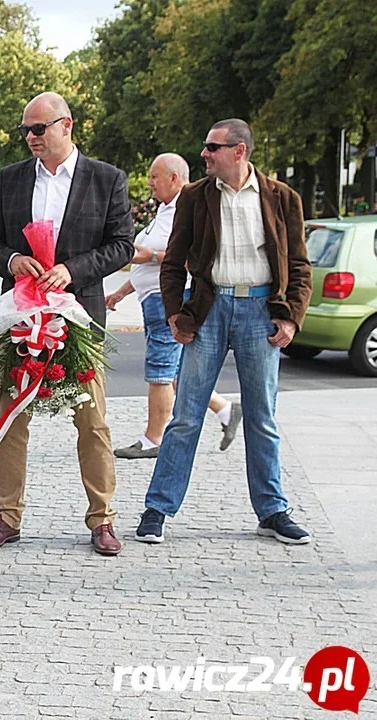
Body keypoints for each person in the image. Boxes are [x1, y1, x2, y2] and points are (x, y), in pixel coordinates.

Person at [135, 118, 313, 545]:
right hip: (210, 310)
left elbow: (301, 266)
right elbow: (174, 262)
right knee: (186, 416)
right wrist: (176, 314)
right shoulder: (195, 198)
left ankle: (272, 511)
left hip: (260, 310)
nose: (204, 154)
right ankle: (157, 509)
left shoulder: (281, 198)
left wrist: (291, 317)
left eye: (212, 148)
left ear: (239, 152)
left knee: (262, 416)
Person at [0, 92, 134, 557]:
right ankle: (7, 518)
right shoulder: (11, 180)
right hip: (22, 317)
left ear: (67, 126)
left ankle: (102, 520)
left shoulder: (107, 180)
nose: (30, 138)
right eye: (25, 129)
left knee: (92, 422)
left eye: (39, 129)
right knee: (11, 419)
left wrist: (74, 270)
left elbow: (122, 245)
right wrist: (14, 258)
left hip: (79, 316)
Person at [105, 153, 241, 460]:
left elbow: (188, 254)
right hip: (152, 295)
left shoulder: (188, 208)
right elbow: (149, 262)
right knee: (176, 369)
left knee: (160, 371)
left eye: (155, 177)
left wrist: (148, 257)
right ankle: (225, 409)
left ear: (174, 179)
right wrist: (122, 292)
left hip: (168, 299)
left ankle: (154, 439)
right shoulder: (165, 210)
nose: (150, 183)